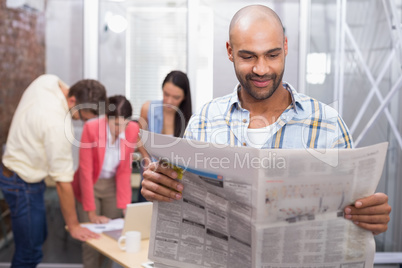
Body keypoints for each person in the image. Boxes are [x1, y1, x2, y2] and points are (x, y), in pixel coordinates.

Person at [140, 4, 391, 238]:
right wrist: (159, 187)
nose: (261, 69)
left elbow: (353, 213)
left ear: (285, 46)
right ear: (230, 51)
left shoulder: (328, 123)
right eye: (248, 57)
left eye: (272, 55)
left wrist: (369, 216)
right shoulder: (204, 121)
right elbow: (185, 205)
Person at [0, 74, 106, 267]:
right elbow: (63, 184)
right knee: (29, 252)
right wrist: (73, 226)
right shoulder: (59, 126)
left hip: (19, 174)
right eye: (82, 117)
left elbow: (65, 86)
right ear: (73, 100)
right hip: (21, 183)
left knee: (38, 237)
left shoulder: (47, 81)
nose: (80, 121)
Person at [72, 95, 140, 268]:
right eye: (116, 124)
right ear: (106, 118)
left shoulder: (132, 130)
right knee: (91, 242)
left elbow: (125, 171)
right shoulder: (92, 127)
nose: (120, 129)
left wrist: (125, 206)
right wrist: (92, 213)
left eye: (124, 124)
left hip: (113, 185)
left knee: (111, 241)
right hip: (90, 184)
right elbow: (85, 172)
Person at [136, 71, 193, 201]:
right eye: (166, 94)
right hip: (151, 176)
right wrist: (146, 158)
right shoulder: (148, 108)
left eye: (175, 97)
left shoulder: (191, 118)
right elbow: (139, 136)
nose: (169, 101)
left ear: (184, 97)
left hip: (175, 180)